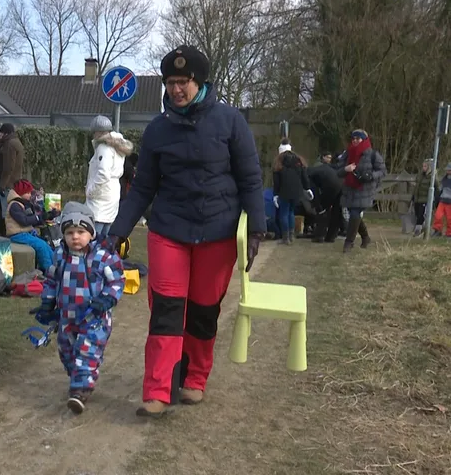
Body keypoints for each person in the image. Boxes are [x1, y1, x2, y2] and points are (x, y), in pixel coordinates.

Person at [106, 45, 266, 417]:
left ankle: (194, 378)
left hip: (218, 230)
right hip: (169, 230)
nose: (177, 89)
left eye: (184, 82)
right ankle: (158, 390)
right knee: (165, 309)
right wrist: (118, 231)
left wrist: (256, 227)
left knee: (203, 310)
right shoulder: (158, 129)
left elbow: (250, 178)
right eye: (171, 82)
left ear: (200, 81)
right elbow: (143, 186)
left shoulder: (230, 122)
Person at [32, 202, 125, 414]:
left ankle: (81, 389)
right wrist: (47, 303)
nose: (75, 237)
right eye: (70, 232)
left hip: (94, 317)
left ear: (91, 233)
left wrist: (106, 300)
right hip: (67, 317)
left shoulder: (103, 257)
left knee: (86, 351)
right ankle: (78, 376)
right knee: (67, 352)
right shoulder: (58, 256)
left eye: (81, 232)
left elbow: (117, 282)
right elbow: (51, 281)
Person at [336, 129, 387, 253]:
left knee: (354, 213)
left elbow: (382, 171)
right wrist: (346, 169)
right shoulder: (347, 153)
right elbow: (338, 171)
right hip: (349, 189)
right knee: (354, 215)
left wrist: (371, 175)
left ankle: (349, 242)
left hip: (364, 189)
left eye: (358, 139)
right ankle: (365, 237)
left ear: (364, 140)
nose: (355, 141)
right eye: (353, 139)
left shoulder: (373, 154)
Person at [86, 115, 133, 239]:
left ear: (97, 132)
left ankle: (94, 256)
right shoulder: (116, 146)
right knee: (106, 231)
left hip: (102, 193)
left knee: (94, 233)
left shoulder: (104, 148)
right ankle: (104, 256)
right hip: (112, 191)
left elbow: (103, 173)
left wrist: (91, 191)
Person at [5, 179, 56, 272]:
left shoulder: (22, 204)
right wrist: (38, 217)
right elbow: (24, 221)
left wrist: (47, 216)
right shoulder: (14, 205)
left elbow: (31, 220)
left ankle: (56, 265)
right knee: (41, 246)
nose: (30, 195)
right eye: (27, 193)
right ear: (20, 192)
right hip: (17, 235)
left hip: (25, 233)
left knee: (46, 245)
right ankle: (48, 270)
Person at [271, 139, 313, 244]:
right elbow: (304, 176)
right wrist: (307, 188)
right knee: (291, 212)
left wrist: (275, 194)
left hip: (284, 192)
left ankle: (285, 238)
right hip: (297, 192)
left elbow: (276, 181)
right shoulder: (299, 160)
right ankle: (291, 235)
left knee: (284, 213)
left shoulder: (278, 162)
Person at [307, 151, 343, 243]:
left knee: (322, 211)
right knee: (336, 212)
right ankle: (331, 236)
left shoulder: (309, 175)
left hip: (330, 186)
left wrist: (317, 204)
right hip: (340, 185)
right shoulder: (319, 169)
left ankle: (319, 235)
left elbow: (313, 192)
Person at [0, 123, 24, 211]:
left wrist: (3, 184)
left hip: (9, 183)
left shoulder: (9, 144)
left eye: (1, 133)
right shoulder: (17, 141)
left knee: (5, 210)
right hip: (16, 181)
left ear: (5, 133)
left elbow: (8, 166)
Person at [412, 159, 436, 236]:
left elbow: (437, 188)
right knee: (417, 213)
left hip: (425, 199)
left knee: (421, 215)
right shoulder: (420, 175)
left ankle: (418, 230)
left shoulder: (432, 177)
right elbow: (416, 187)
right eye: (423, 166)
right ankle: (422, 227)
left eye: (425, 166)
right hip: (417, 198)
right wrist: (413, 196)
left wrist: (435, 199)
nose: (423, 168)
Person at [430, 163, 451, 237]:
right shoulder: (444, 179)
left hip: (450, 202)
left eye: (449, 170)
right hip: (442, 200)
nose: (448, 171)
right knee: (438, 216)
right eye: (447, 170)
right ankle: (437, 230)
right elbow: (440, 188)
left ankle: (449, 233)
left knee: (449, 218)